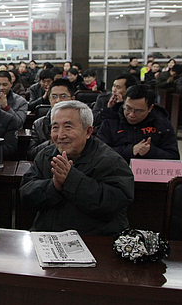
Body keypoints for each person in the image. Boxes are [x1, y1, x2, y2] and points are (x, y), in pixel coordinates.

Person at [19, 100, 134, 235]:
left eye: (68, 127)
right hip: (48, 235)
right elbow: (26, 194)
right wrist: (53, 187)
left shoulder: (111, 161)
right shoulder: (46, 155)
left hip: (93, 239)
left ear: (88, 131)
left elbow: (112, 205)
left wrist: (71, 180)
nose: (60, 135)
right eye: (55, 127)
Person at [97, 85, 180, 163]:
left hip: (149, 170)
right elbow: (99, 153)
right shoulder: (110, 119)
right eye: (128, 108)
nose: (131, 114)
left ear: (150, 108)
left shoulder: (162, 123)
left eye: (138, 111)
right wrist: (130, 150)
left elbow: (174, 157)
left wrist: (151, 151)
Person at [27, 79, 76, 160]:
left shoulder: (80, 122)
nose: (58, 100)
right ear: (49, 99)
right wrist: (51, 143)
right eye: (54, 96)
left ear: (72, 99)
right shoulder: (39, 124)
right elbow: (31, 155)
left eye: (63, 96)